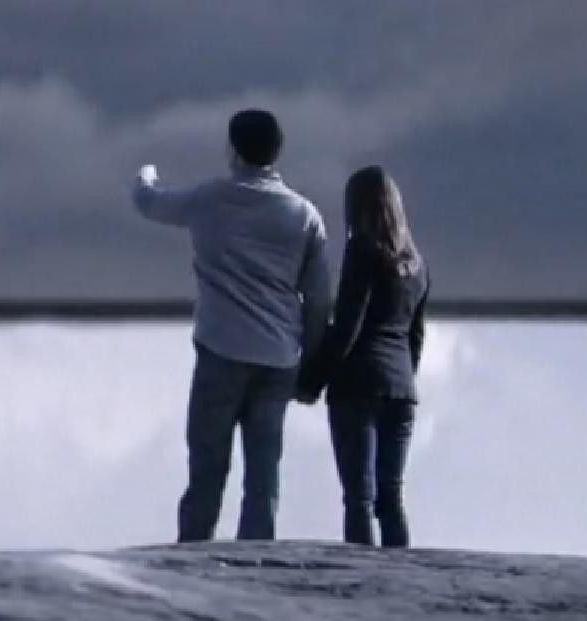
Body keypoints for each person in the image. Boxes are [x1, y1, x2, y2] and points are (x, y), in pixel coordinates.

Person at [132, 109, 331, 542]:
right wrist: (311, 369)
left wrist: (145, 173)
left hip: (221, 350)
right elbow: (319, 301)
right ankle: (257, 561)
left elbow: (149, 202)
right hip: (279, 357)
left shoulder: (208, 199)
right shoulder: (304, 215)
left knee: (207, 468)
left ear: (233, 150)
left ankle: (193, 553)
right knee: (263, 474)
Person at [297, 165, 429, 547]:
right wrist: (403, 380)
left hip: (358, 385)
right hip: (401, 390)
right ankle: (402, 573)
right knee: (391, 496)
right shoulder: (418, 265)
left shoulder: (362, 252)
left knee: (359, 498)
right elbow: (416, 337)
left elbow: (347, 328)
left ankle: (364, 576)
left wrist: (311, 381)